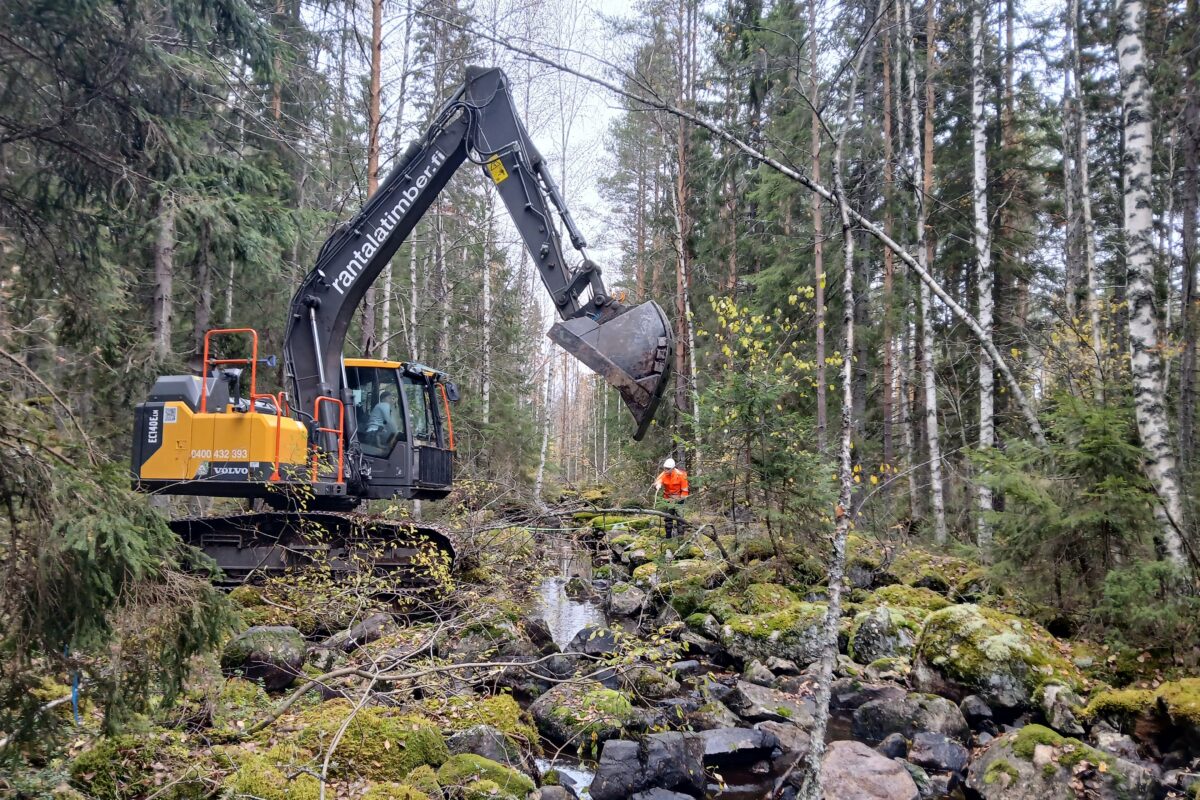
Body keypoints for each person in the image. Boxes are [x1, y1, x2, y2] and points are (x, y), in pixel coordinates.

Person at [654, 457, 689, 537]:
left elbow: (685, 491)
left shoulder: (681, 475)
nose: (666, 470)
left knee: (680, 519)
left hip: (679, 498)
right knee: (668, 518)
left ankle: (680, 537)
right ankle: (668, 536)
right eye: (665, 468)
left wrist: (678, 500)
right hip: (667, 498)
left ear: (673, 468)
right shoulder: (664, 474)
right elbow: (658, 480)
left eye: (668, 469)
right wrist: (658, 485)